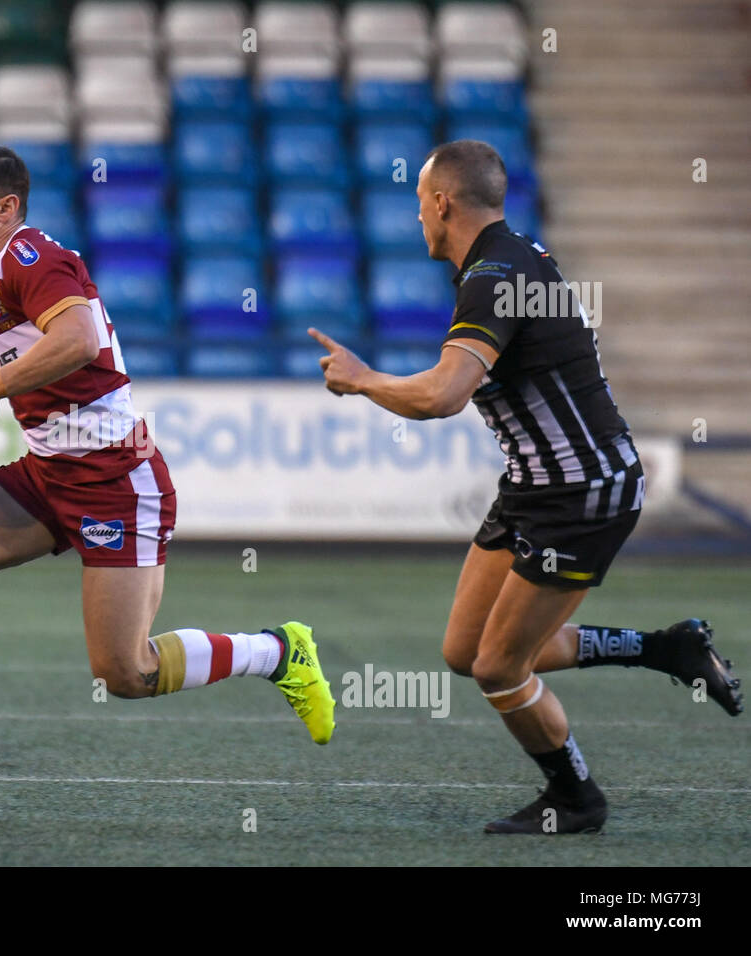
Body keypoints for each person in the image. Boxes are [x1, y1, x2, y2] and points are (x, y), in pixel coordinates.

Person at [0, 138, 335, 785]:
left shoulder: (30, 256)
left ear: (6, 206)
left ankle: (278, 651)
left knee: (126, 674)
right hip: (44, 475)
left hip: (114, 480)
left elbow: (78, 339)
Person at [311, 139, 742, 834]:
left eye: (420, 201)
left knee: (498, 667)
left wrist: (363, 381)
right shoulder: (511, 258)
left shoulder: (494, 273)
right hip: (535, 486)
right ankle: (667, 649)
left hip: (582, 493)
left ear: (443, 202)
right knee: (466, 650)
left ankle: (576, 799)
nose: (417, 216)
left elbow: (446, 396)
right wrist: (374, 382)